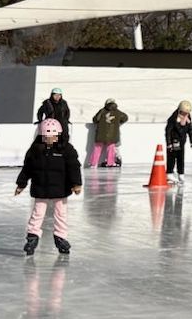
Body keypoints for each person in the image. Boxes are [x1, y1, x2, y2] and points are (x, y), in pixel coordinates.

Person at [14, 117, 82, 255]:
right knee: (37, 213)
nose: (50, 139)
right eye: (46, 137)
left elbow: (74, 167)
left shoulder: (66, 149)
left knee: (61, 214)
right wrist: (21, 184)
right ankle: (32, 237)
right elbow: (27, 168)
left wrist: (76, 184)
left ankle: (60, 237)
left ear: (59, 135)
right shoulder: (35, 150)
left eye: (53, 136)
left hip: (60, 188)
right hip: (41, 187)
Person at [87, 99, 127, 168]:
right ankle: (110, 163)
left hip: (101, 133)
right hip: (113, 134)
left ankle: (93, 163)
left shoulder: (102, 111)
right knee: (111, 147)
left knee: (98, 147)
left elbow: (95, 120)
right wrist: (118, 122)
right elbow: (125, 118)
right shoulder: (118, 112)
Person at [164, 102, 192, 183]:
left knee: (181, 158)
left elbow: (190, 130)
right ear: (180, 110)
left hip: (181, 142)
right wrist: (169, 143)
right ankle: (169, 173)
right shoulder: (173, 119)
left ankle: (181, 173)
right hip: (173, 142)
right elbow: (168, 131)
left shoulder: (188, 119)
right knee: (171, 157)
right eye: (184, 113)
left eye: (187, 113)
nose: (185, 115)